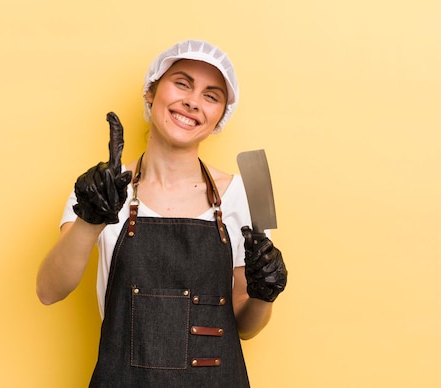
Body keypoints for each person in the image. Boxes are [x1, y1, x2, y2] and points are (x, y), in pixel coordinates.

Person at [36, 39, 288, 387]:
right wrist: (90, 219)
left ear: (218, 119)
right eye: (182, 83)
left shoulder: (245, 195)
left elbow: (245, 327)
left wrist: (264, 295)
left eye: (211, 96)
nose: (193, 101)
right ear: (151, 91)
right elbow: (49, 290)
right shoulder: (105, 189)